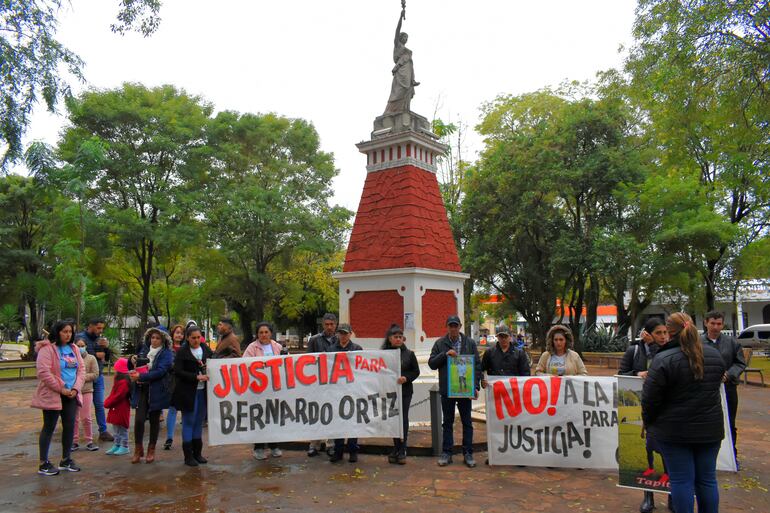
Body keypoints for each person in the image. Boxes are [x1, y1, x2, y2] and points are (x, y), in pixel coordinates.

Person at [642, 312, 725, 513]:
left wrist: (650, 422)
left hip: (674, 432)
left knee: (681, 480)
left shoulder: (663, 359)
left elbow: (650, 400)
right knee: (707, 480)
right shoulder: (715, 355)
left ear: (670, 333)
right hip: (709, 431)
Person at [32, 320, 85, 475]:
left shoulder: (74, 348)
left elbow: (81, 370)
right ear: (57, 332)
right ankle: (44, 463)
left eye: (70, 332)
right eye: (64, 331)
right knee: (49, 427)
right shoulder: (47, 349)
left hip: (71, 394)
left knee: (69, 426)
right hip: (54, 394)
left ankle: (66, 459)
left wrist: (75, 388)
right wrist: (61, 389)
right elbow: (43, 373)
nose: (68, 334)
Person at [428, 315, 482, 468]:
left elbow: (477, 365)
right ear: (447, 327)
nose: (453, 328)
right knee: (447, 422)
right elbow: (432, 364)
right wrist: (444, 354)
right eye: (451, 326)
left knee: (467, 422)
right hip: (447, 389)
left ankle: (468, 453)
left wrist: (476, 386)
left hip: (465, 390)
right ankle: (447, 453)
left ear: (460, 326)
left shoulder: (469, 343)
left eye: (456, 326)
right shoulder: (440, 343)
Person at [701, 310, 746, 462]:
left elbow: (740, 363)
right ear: (706, 322)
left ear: (723, 324)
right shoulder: (698, 342)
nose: (715, 327)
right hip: (705, 390)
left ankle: (732, 456)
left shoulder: (731, 342)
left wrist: (730, 374)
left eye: (719, 324)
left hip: (728, 389)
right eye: (712, 323)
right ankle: (707, 457)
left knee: (730, 422)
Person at [129, 327, 174, 464]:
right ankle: (138, 448)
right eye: (152, 337)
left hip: (157, 390)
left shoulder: (166, 353)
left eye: (157, 338)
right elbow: (131, 364)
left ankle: (151, 449)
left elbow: (161, 371)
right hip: (141, 389)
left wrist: (141, 376)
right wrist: (132, 359)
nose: (154, 340)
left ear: (163, 340)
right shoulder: (144, 350)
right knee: (139, 420)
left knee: (154, 420)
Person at [244, 322, 285, 461]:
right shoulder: (252, 348)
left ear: (271, 333)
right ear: (257, 334)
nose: (263, 335)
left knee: (274, 416)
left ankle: (274, 446)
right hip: (258, 389)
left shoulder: (277, 347)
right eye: (261, 332)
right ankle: (259, 447)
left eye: (266, 332)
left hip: (275, 389)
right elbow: (244, 365)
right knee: (260, 417)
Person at [172, 325, 212, 466]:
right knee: (188, 421)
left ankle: (198, 453)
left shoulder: (206, 349)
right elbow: (177, 371)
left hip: (202, 392)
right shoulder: (182, 352)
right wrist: (196, 377)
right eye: (193, 338)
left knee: (199, 422)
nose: (196, 340)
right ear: (187, 338)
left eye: (198, 337)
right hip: (188, 392)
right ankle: (188, 456)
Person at [381, 324, 420, 464]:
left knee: (402, 418)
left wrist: (406, 378)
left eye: (400, 337)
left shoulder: (409, 354)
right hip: (390, 392)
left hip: (405, 392)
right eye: (395, 337)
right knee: (393, 419)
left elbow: (416, 371)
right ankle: (396, 447)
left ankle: (403, 448)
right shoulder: (384, 355)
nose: (398, 339)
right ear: (390, 339)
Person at [75, 318, 113, 442]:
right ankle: (74, 433)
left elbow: (106, 357)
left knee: (99, 404)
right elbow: (78, 353)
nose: (100, 331)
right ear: (90, 326)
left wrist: (106, 349)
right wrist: (96, 355)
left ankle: (103, 430)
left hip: (98, 376)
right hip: (83, 378)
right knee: (77, 407)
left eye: (102, 328)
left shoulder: (99, 339)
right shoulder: (80, 337)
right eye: (98, 328)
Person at [329, 324, 363, 463]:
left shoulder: (357, 349)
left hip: (353, 389)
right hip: (337, 390)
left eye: (345, 333)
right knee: (338, 422)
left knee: (353, 421)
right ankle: (338, 451)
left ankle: (353, 450)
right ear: (338, 335)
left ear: (350, 334)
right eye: (341, 333)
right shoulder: (331, 350)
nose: (343, 336)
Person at [306, 312, 339, 457]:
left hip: (335, 383)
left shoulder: (340, 339)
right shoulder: (314, 340)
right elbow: (307, 361)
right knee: (316, 413)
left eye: (332, 324)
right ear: (323, 325)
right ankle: (314, 443)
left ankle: (331, 444)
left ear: (336, 325)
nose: (330, 327)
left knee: (332, 413)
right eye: (327, 324)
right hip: (317, 383)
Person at [383, 5, 419, 114]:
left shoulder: (406, 50)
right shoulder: (397, 45)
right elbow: (397, 30)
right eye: (404, 37)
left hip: (408, 69)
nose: (406, 39)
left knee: (408, 88)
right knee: (399, 89)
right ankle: (393, 109)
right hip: (400, 70)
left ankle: (404, 109)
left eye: (407, 38)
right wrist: (400, 16)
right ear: (400, 38)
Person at [72, 338, 99, 452]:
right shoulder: (71, 358)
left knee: (86, 417)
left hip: (87, 390)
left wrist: (81, 377)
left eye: (82, 345)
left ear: (86, 346)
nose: (80, 347)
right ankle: (74, 441)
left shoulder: (91, 358)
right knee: (74, 418)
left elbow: (95, 374)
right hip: (74, 391)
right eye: (78, 345)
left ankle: (89, 441)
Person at [103, 358, 132, 456]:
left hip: (121, 407)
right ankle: (117, 444)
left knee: (122, 428)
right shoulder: (119, 380)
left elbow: (118, 396)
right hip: (116, 407)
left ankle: (125, 446)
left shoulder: (123, 382)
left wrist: (108, 402)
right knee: (116, 427)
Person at [164, 324, 185, 450]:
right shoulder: (168, 349)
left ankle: (186, 438)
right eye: (177, 332)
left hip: (184, 382)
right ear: (172, 333)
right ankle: (169, 437)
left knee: (185, 410)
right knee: (172, 410)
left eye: (181, 333)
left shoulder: (185, 348)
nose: (179, 335)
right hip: (173, 382)